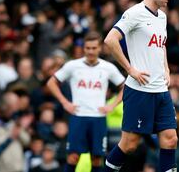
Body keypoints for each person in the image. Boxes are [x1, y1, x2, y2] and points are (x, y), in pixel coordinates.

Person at [104, 0, 178, 172]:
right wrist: (130, 69)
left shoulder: (162, 17)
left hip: (161, 90)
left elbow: (160, 44)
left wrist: (166, 68)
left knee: (171, 139)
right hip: (139, 91)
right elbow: (110, 40)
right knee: (129, 144)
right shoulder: (134, 13)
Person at [46, 31, 125, 172]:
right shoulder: (73, 65)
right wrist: (65, 103)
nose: (90, 51)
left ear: (100, 48)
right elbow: (51, 82)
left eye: (94, 48)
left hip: (98, 118)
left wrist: (112, 105)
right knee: (73, 157)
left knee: (96, 159)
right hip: (79, 116)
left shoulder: (107, 67)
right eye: (87, 48)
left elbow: (125, 87)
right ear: (84, 48)